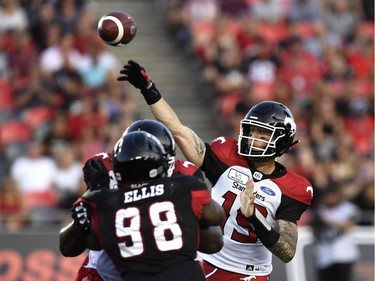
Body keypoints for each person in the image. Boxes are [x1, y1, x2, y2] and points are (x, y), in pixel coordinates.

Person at [117, 60, 314, 280]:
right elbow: (178, 130)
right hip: (203, 261)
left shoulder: (293, 187)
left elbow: (287, 251)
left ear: (282, 141)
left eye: (263, 134)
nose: (253, 138)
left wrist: (254, 217)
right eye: (252, 130)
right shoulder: (226, 156)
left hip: (246, 274)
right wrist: (148, 89)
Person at [61, 119, 225, 281]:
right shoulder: (184, 182)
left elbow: (81, 242)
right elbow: (216, 228)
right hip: (111, 268)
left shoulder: (183, 175)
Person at [310, 187, 360, 281]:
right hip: (324, 255)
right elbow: (314, 229)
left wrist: (327, 221)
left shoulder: (347, 208)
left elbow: (347, 226)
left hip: (343, 254)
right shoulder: (319, 210)